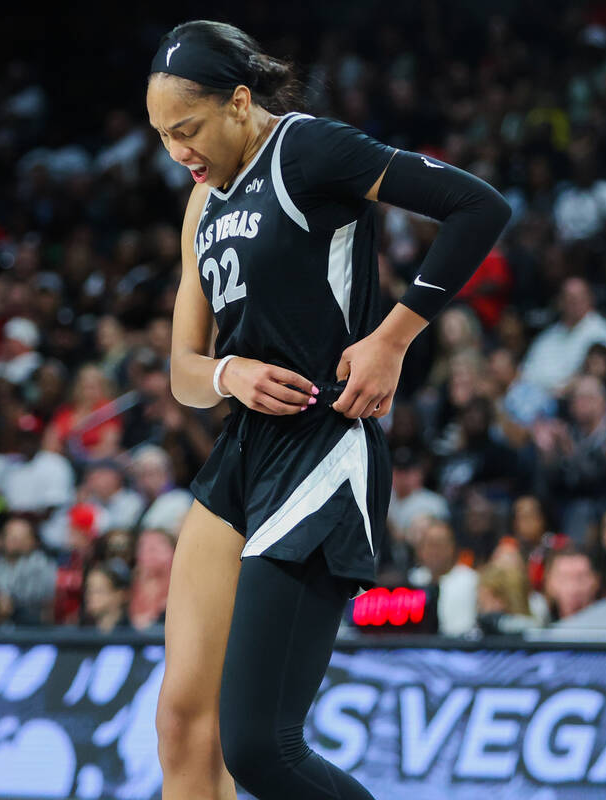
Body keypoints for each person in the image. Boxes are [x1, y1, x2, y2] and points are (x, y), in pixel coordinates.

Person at [145, 20, 509, 800]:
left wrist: (393, 339)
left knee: (260, 749)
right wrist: (229, 373)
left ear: (239, 103)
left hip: (321, 446)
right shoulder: (199, 205)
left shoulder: (308, 150)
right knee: (181, 719)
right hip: (241, 454)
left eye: (188, 128)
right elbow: (182, 371)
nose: (179, 151)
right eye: (162, 136)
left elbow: (477, 208)